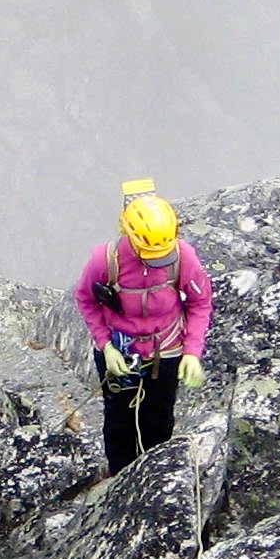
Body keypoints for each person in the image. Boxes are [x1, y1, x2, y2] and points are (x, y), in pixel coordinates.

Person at [74, 180, 211, 476]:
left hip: (166, 350)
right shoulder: (105, 260)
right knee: (119, 420)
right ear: (131, 236)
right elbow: (85, 298)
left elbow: (200, 303)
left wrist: (191, 352)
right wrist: (105, 346)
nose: (158, 260)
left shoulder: (183, 257)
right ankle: (121, 480)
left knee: (159, 419)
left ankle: (155, 479)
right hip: (120, 350)